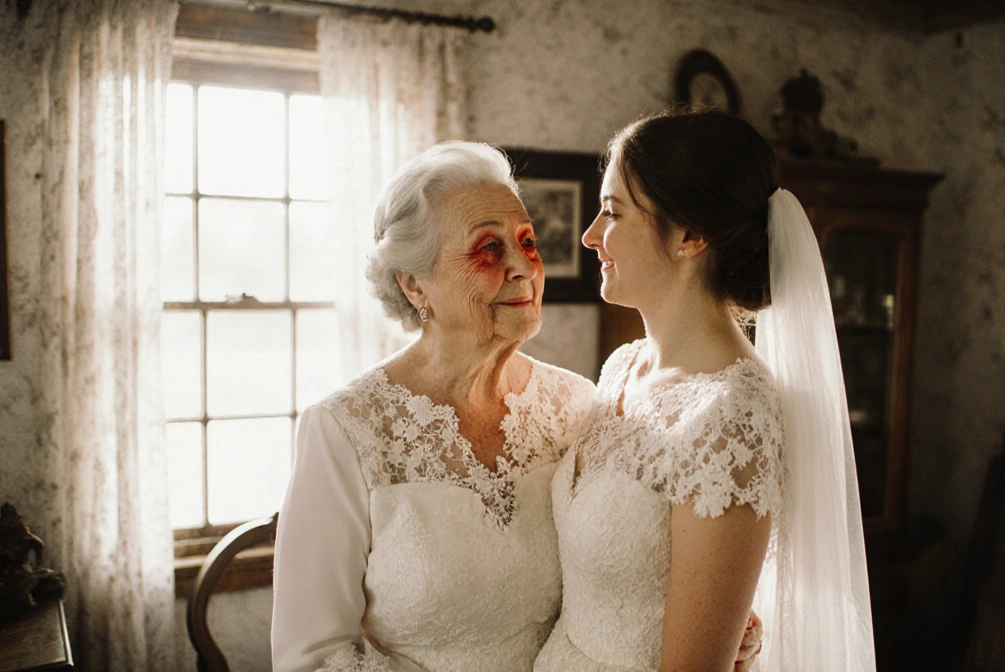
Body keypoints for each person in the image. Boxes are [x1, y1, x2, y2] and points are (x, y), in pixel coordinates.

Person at [271, 141, 763, 672]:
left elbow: (627, 565)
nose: (524, 268)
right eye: (488, 249)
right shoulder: (344, 431)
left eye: (527, 242)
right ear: (415, 285)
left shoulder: (578, 405)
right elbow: (312, 657)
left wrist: (715, 622)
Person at [533, 110, 875, 671]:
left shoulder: (732, 414)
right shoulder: (622, 367)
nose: (590, 236)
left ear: (691, 236)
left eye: (612, 212)